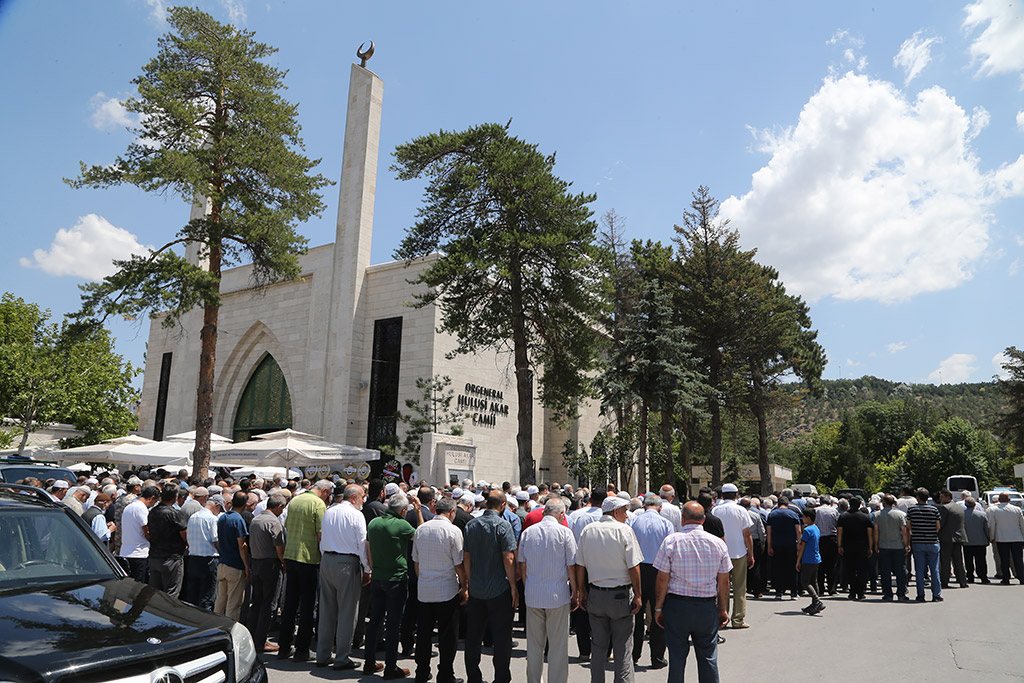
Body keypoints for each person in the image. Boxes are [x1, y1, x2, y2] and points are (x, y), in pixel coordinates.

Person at [653, 501, 731, 683]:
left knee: (677, 658)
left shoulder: (671, 541)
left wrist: (658, 608)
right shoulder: (718, 544)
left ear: (682, 519)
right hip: (706, 606)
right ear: (703, 519)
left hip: (677, 606)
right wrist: (723, 608)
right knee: (708, 658)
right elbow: (724, 581)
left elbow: (662, 579)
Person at [575, 496, 643, 683]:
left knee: (598, 646)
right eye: (624, 512)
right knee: (622, 647)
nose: (627, 516)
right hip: (620, 596)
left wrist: (581, 590)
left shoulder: (588, 531)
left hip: (596, 594)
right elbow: (634, 567)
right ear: (615, 512)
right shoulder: (624, 531)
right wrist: (638, 594)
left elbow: (579, 564)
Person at [518, 497, 579, 683]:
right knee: (558, 646)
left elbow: (522, 564)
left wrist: (527, 587)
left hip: (534, 594)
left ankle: (534, 680)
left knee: (534, 646)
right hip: (557, 595)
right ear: (561, 514)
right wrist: (575, 591)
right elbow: (571, 566)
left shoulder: (528, 533)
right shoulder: (565, 533)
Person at [364, 492, 421, 679]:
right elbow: (421, 535)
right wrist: (419, 512)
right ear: (403, 510)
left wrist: (372, 567)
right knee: (393, 624)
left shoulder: (374, 523)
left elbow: (368, 546)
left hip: (378, 575)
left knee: (375, 621)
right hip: (396, 578)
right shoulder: (402, 524)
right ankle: (390, 666)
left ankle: (369, 662)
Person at [463, 490, 518, 683]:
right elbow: (508, 557)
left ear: (486, 503)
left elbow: (466, 557)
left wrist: (469, 582)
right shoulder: (503, 525)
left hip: (477, 588)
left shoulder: (471, 525)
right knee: (502, 637)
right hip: (499, 589)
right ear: (503, 505)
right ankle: (501, 677)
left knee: (473, 636)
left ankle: (473, 677)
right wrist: (513, 586)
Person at [412, 496, 467, 683]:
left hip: (425, 589)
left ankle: (421, 672)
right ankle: (445, 674)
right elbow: (459, 564)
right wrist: (465, 585)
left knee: (424, 634)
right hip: (446, 589)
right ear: (451, 512)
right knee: (447, 636)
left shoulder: (421, 530)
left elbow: (416, 563)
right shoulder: (453, 531)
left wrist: (423, 579)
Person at [318, 484, 372, 670]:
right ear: (355, 498)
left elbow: (322, 538)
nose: (364, 500)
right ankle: (341, 657)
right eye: (363, 497)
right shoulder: (356, 515)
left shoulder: (330, 511)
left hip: (327, 560)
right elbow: (361, 545)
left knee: (327, 611)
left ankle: (323, 654)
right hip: (346, 563)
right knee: (348, 613)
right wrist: (367, 569)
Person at [278, 479, 332, 662]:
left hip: (291, 556)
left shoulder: (295, 500)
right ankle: (302, 649)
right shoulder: (318, 504)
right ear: (324, 491)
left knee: (290, 605)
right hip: (309, 559)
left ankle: (284, 647)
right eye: (328, 494)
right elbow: (320, 536)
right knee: (308, 606)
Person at [627, 494, 673, 669]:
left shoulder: (634, 522)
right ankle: (657, 657)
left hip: (638, 570)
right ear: (660, 508)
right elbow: (670, 550)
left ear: (645, 506)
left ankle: (633, 655)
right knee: (658, 614)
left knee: (636, 614)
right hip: (659, 571)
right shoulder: (665, 523)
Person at [710, 484, 754, 629]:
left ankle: (722, 617)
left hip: (720, 553)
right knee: (740, 586)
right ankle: (738, 619)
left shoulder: (716, 510)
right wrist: (751, 553)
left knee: (721, 586)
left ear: (722, 495)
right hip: (739, 552)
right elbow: (747, 534)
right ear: (736, 495)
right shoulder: (741, 510)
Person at [247, 493, 286, 653]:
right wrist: (284, 563)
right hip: (270, 565)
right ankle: (261, 641)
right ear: (279, 507)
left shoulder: (255, 520)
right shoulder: (273, 522)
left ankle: (251, 638)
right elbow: (279, 548)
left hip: (256, 562)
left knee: (256, 602)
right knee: (268, 604)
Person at [215, 491, 250, 621]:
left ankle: (216, 627)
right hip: (235, 566)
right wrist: (246, 566)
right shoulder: (238, 520)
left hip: (222, 563)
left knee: (220, 600)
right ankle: (230, 632)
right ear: (245, 504)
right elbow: (242, 545)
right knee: (233, 604)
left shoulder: (223, 517)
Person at [148, 484, 188, 598]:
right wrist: (186, 543)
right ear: (175, 497)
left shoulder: (153, 511)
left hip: (154, 556)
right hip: (171, 558)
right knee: (171, 594)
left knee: (155, 593)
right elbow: (185, 533)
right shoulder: (174, 513)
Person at [186, 495, 223, 610]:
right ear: (216, 506)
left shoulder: (193, 517)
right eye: (220, 509)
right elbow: (216, 540)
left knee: (193, 595)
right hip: (209, 560)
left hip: (193, 559)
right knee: (207, 596)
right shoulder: (212, 519)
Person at [906, 487, 943, 602]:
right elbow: (938, 527)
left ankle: (920, 594)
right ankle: (936, 595)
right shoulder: (934, 510)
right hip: (932, 542)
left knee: (919, 570)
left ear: (917, 497)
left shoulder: (911, 510)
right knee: (935, 570)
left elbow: (908, 527)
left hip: (918, 542)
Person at [873, 494, 910, 601]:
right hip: (898, 545)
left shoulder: (877, 515)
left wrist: (876, 545)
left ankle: (888, 594)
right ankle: (901, 593)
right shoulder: (900, 515)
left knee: (885, 571)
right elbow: (904, 531)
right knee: (900, 570)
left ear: (883, 503)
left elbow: (876, 531)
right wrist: (906, 544)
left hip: (883, 545)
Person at [120, 485, 160, 583]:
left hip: (126, 551)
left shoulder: (129, 507)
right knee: (138, 586)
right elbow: (146, 530)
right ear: (152, 498)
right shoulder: (141, 509)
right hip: (139, 553)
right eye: (155, 502)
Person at [837, 496, 873, 600]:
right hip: (862, 546)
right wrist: (870, 547)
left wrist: (839, 545)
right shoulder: (865, 517)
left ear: (849, 505)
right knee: (861, 570)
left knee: (850, 570)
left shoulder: (843, 517)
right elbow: (869, 534)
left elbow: (839, 532)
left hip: (848, 546)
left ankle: (852, 592)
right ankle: (861, 593)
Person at [765, 496, 801, 600]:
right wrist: (799, 545)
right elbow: (798, 531)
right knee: (792, 568)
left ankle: (779, 592)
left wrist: (769, 546)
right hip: (791, 545)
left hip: (777, 545)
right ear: (788, 504)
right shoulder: (793, 514)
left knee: (778, 569)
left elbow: (769, 532)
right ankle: (793, 592)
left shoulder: (772, 515)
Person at [987, 491, 1024, 584]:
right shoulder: (1017, 509)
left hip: (1001, 538)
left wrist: (991, 537)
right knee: (1018, 559)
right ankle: (1022, 578)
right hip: (1017, 538)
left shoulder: (994, 510)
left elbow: (992, 525)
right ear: (1009, 500)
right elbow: (1022, 524)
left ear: (999, 500)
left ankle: (1006, 578)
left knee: (1004, 559)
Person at [937, 489, 969, 589]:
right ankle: (962, 581)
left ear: (948, 498)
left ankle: (944, 581)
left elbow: (940, 524)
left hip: (947, 537)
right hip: (959, 536)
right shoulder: (959, 507)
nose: (940, 499)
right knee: (958, 560)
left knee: (945, 561)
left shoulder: (945, 508)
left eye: (942, 497)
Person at [795, 508, 824, 615]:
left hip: (808, 559)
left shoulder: (807, 530)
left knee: (805, 582)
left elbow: (802, 546)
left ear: (808, 518)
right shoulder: (816, 528)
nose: (802, 519)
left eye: (803, 517)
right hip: (816, 558)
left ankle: (816, 601)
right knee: (813, 581)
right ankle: (814, 604)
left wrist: (798, 560)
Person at [962, 496, 990, 583]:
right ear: (975, 504)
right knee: (981, 560)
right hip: (981, 541)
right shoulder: (982, 515)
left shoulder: (962, 515)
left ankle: (970, 576)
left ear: (965, 505)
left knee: (968, 560)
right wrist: (988, 538)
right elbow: (987, 528)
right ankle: (983, 577)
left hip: (967, 541)